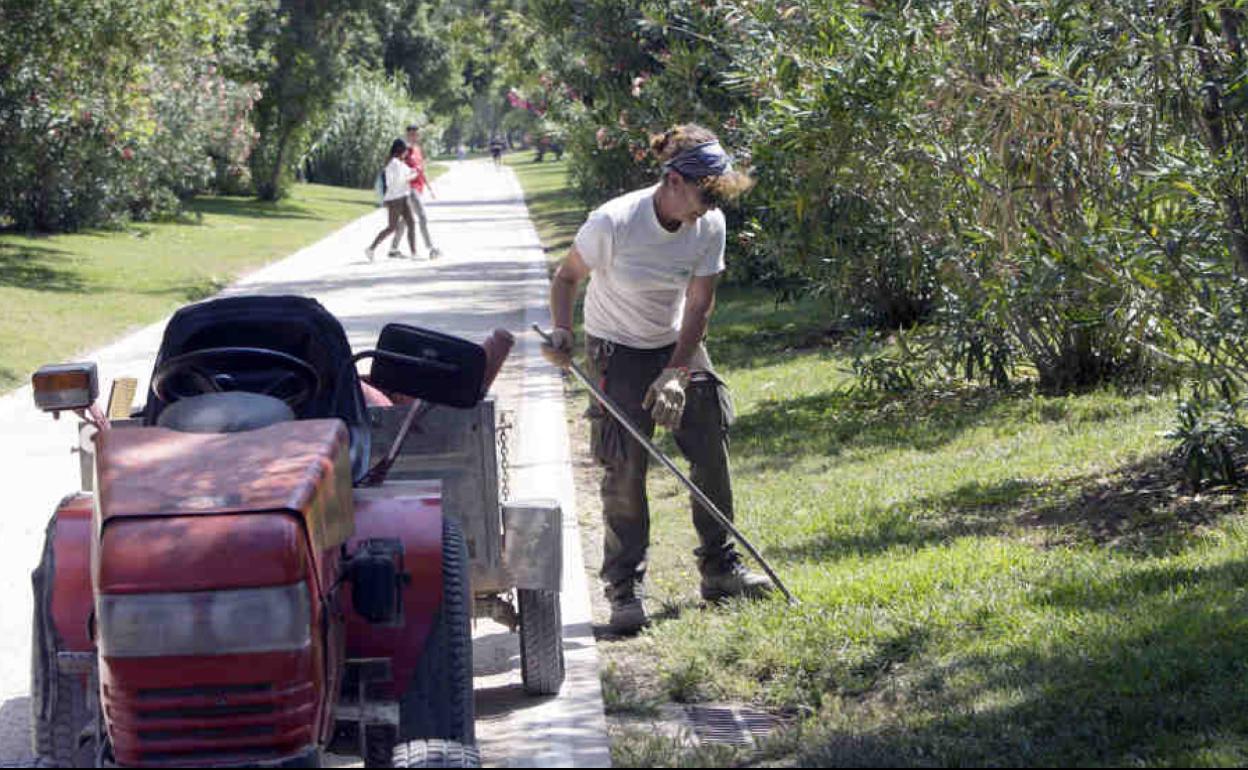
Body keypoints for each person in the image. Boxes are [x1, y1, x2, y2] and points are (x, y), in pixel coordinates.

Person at [540, 124, 771, 634]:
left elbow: (700, 303)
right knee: (623, 464)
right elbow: (567, 277)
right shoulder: (614, 222)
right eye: (702, 194)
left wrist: (678, 370)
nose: (708, 207)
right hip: (615, 348)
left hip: (674, 342)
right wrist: (561, 332)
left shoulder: (709, 225)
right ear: (672, 179)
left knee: (709, 436)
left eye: (716, 196)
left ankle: (720, 569)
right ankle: (624, 589)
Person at [388, 124, 441, 260]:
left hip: (418, 187)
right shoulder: (405, 151)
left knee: (406, 221)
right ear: (407, 135)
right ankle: (431, 248)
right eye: (411, 134)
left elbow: (421, 169)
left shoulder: (417, 149)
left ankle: (393, 248)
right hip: (409, 188)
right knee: (422, 217)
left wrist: (429, 187)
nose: (414, 136)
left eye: (416, 134)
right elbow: (396, 166)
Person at [366, 139, 417, 261]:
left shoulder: (399, 163)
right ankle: (371, 248)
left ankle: (414, 253)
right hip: (395, 199)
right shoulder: (392, 164)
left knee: (411, 223)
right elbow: (394, 182)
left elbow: (408, 173)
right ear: (400, 150)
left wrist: (413, 173)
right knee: (391, 227)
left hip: (403, 196)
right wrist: (410, 177)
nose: (406, 153)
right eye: (405, 151)